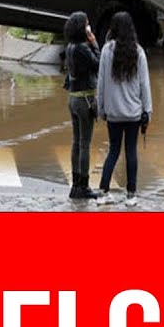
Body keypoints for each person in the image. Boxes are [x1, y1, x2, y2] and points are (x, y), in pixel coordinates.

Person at [95, 11, 153, 206]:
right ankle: (131, 195)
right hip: (133, 113)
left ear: (113, 28)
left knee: (113, 151)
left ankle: (103, 193)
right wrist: (148, 111)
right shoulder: (138, 52)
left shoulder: (106, 51)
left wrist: (101, 108)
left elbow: (101, 82)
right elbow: (145, 85)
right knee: (131, 152)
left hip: (113, 113)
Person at [63, 12, 101, 200]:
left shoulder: (70, 47)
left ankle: (75, 185)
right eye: (87, 25)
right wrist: (94, 43)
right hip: (85, 100)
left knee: (76, 142)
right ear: (82, 28)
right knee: (85, 144)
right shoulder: (83, 49)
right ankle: (84, 186)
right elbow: (99, 65)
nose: (89, 27)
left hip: (73, 99)